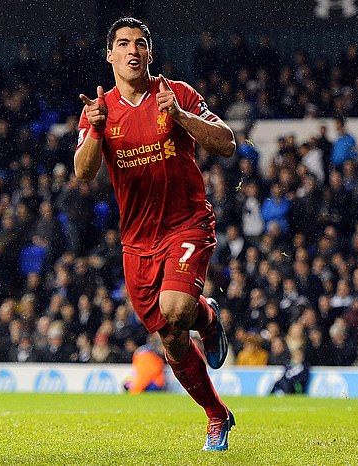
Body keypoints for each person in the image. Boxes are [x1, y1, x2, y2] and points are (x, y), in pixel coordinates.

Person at [74, 17, 235, 451]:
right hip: (137, 241)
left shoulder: (176, 92)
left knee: (176, 307)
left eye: (140, 43)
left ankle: (202, 314)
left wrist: (180, 117)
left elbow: (227, 142)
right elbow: (84, 173)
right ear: (110, 55)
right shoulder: (98, 110)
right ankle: (216, 413)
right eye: (123, 43)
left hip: (187, 222)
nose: (133, 50)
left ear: (149, 53)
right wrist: (96, 129)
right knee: (170, 334)